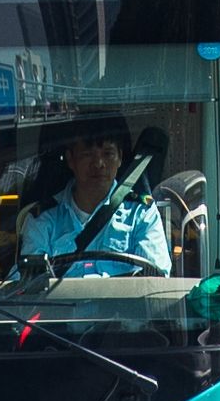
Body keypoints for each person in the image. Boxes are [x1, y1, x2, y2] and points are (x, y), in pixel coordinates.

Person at [17, 114, 171, 279]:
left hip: (123, 305)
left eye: (108, 154)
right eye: (87, 154)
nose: (98, 163)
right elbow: (27, 285)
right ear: (71, 160)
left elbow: (155, 280)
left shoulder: (141, 214)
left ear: (120, 158)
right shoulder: (42, 219)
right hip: (60, 305)